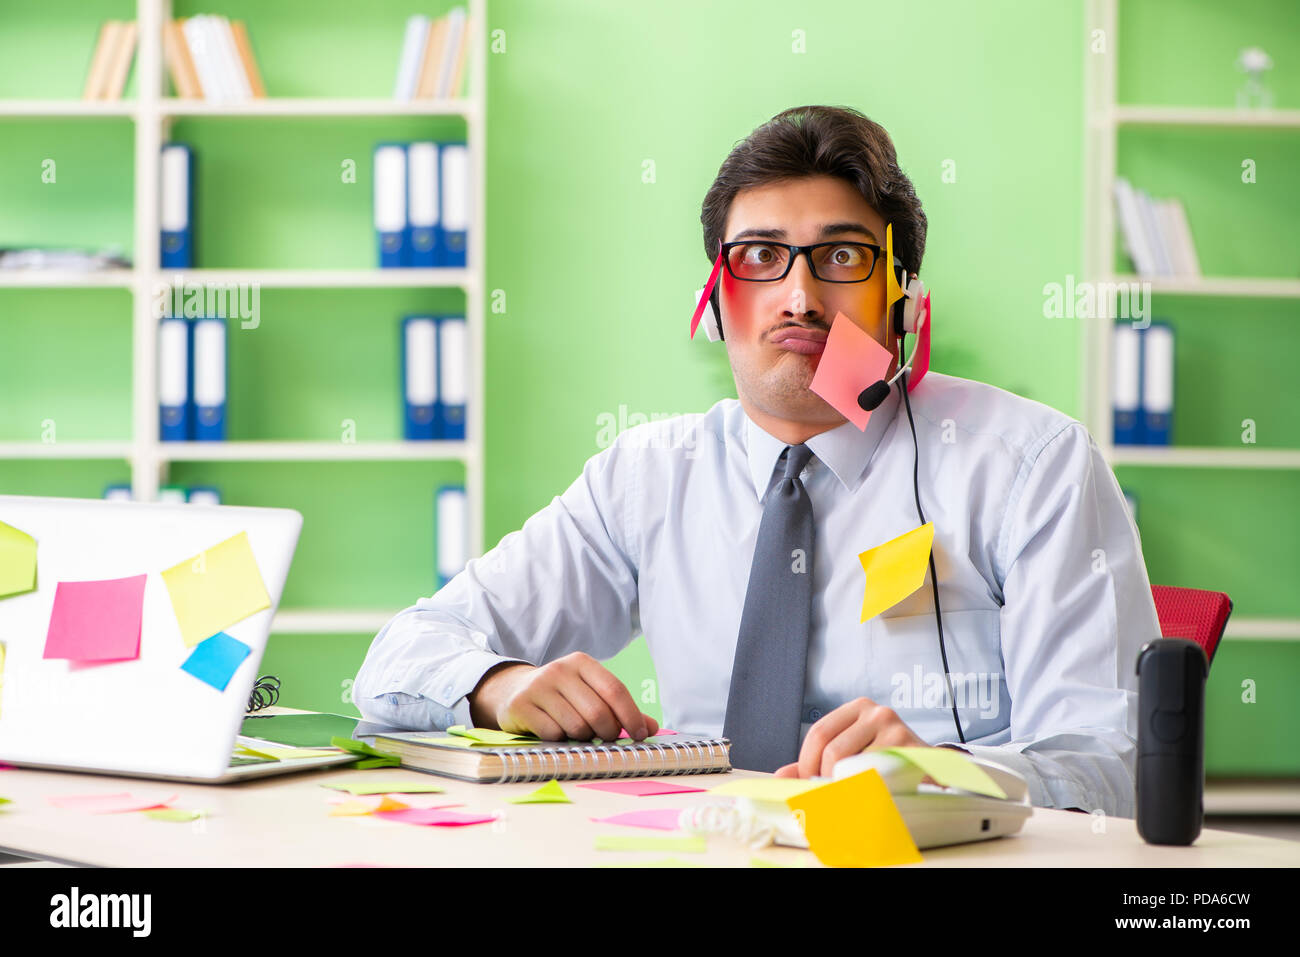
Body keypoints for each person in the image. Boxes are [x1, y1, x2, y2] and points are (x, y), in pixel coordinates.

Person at [353, 104, 1159, 818]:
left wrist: (943, 776)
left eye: (841, 257)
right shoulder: (648, 474)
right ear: (715, 300)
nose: (799, 296)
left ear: (904, 301)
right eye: (759, 257)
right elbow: (398, 657)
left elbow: (1118, 767)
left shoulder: (1029, 466)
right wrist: (496, 684)